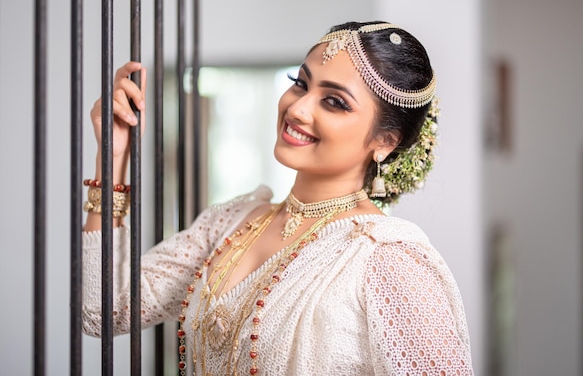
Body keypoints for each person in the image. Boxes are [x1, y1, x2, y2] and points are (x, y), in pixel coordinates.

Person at [82, 21, 474, 375]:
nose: (298, 107)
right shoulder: (231, 223)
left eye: (334, 102)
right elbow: (102, 310)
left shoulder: (386, 259)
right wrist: (112, 157)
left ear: (384, 142)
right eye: (301, 82)